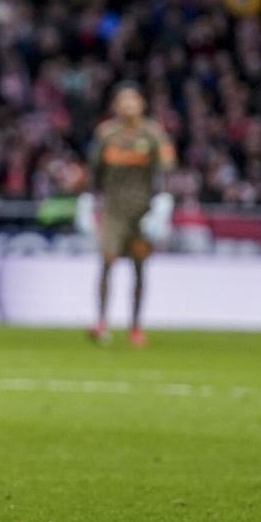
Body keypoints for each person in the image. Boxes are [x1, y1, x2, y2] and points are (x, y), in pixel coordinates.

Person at [76, 82, 176, 347]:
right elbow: (94, 169)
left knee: (139, 267)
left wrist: (162, 202)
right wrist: (87, 199)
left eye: (133, 101)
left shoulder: (153, 134)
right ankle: (101, 321)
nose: (128, 106)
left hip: (142, 209)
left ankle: (135, 326)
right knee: (107, 261)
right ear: (116, 106)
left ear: (141, 104)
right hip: (113, 209)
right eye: (124, 101)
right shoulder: (106, 134)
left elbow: (164, 169)